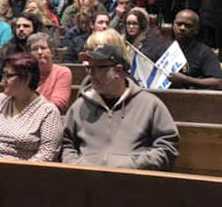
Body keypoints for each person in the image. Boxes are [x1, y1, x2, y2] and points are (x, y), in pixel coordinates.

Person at [61, 36, 179, 170]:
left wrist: (135, 165)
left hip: (132, 183)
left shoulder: (150, 105)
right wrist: (75, 165)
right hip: (87, 183)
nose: (90, 73)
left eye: (98, 67)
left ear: (118, 70)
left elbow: (167, 146)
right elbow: (66, 144)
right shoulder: (80, 106)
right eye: (89, 67)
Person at [0, 52, 62, 160]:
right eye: (3, 75)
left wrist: (19, 171)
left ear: (27, 78)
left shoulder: (48, 112)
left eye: (9, 76)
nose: (3, 81)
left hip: (21, 172)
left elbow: (48, 153)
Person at [168, 10, 222, 90]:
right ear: (173, 25)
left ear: (196, 29)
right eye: (179, 24)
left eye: (188, 26)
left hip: (193, 97)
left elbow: (220, 83)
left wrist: (186, 80)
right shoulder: (163, 48)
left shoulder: (204, 52)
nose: (182, 28)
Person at [28, 32, 72, 113]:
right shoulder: (25, 74)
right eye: (35, 49)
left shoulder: (62, 72)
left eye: (43, 48)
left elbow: (59, 104)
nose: (40, 52)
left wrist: (30, 111)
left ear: (52, 52)